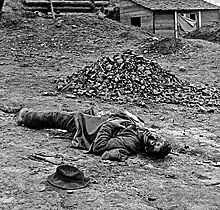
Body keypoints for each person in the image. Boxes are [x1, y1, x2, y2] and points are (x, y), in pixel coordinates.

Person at [17, 107, 172, 161]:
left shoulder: (130, 142)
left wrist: (110, 125)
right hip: (94, 121)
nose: (154, 140)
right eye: (159, 139)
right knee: (56, 118)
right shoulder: (141, 132)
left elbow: (100, 146)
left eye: (155, 145)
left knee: (54, 118)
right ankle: (28, 117)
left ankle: (25, 118)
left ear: (147, 150)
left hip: (85, 129)